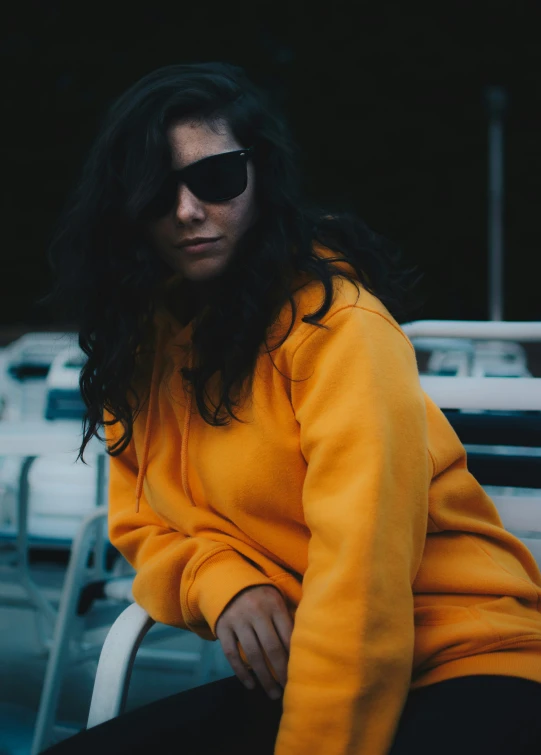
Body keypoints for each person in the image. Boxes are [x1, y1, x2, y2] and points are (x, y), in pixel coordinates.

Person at [39, 61, 541, 755]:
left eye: (214, 178)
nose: (188, 209)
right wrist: (225, 583)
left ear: (261, 179)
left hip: (464, 656)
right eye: (158, 189)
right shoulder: (143, 346)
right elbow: (140, 522)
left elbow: (360, 581)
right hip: (305, 666)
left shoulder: (338, 330)